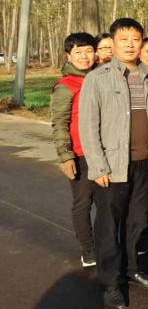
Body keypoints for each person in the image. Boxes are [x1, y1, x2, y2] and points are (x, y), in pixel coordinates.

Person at [79, 18, 148, 309]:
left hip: (144, 163)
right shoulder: (98, 78)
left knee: (137, 221)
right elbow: (88, 126)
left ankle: (132, 269)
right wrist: (98, 166)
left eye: (135, 39)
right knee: (108, 226)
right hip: (113, 165)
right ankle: (110, 283)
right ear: (113, 43)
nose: (130, 45)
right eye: (124, 39)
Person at [51, 32, 97, 267]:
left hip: (104, 152)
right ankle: (88, 249)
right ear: (69, 56)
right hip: (80, 154)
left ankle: (106, 243)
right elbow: (59, 123)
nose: (84, 56)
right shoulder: (65, 86)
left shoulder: (100, 79)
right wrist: (65, 156)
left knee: (107, 204)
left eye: (89, 51)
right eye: (78, 52)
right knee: (83, 202)